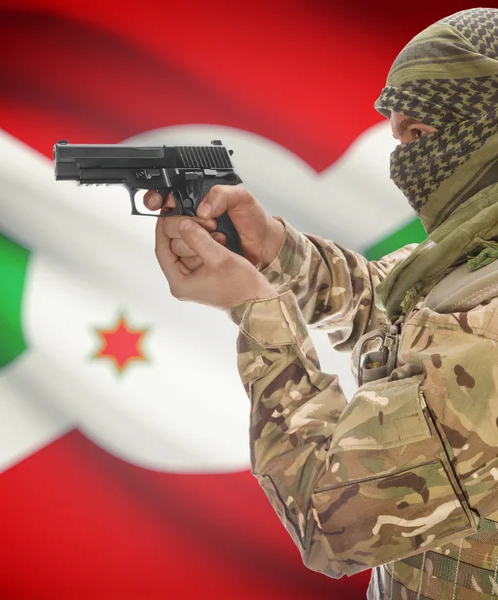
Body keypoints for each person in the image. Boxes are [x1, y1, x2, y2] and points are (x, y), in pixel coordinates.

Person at [144, 8, 498, 599]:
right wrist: (276, 250)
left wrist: (256, 310)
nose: (403, 160)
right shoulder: (476, 255)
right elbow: (397, 310)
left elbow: (331, 521)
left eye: (419, 134)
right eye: (397, 136)